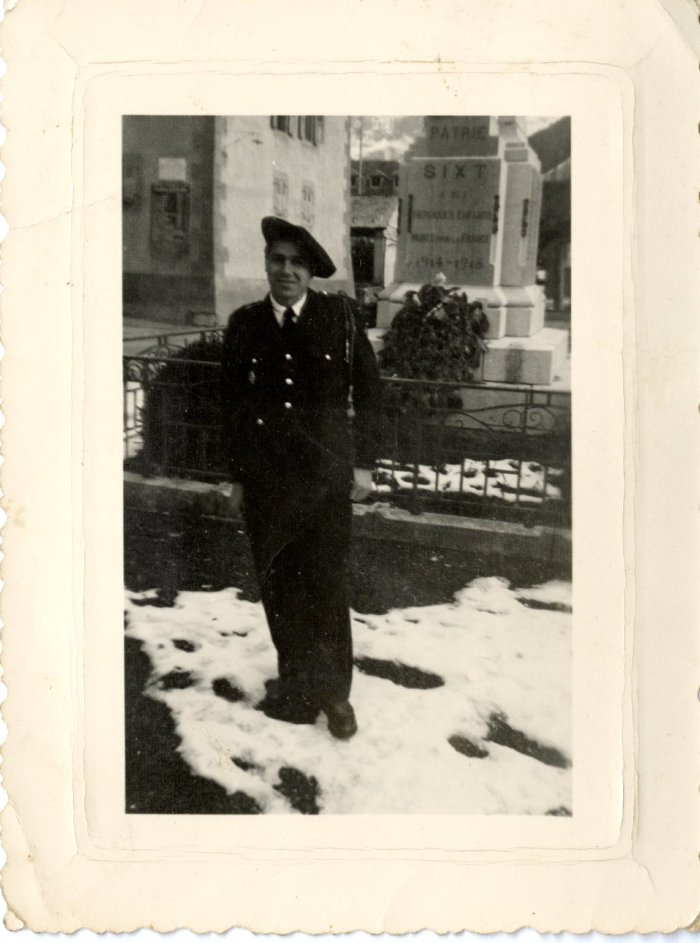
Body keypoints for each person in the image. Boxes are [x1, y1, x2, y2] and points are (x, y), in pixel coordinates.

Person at [220, 217, 382, 739]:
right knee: (279, 585)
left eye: (296, 263)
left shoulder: (340, 319)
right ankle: (293, 683)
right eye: (278, 260)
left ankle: (334, 694)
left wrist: (365, 463)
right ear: (266, 265)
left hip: (325, 480)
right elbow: (232, 406)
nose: (286, 271)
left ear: (311, 273)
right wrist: (235, 476)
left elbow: (370, 392)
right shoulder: (245, 323)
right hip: (266, 482)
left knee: (325, 583)